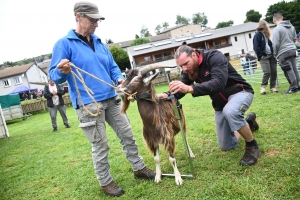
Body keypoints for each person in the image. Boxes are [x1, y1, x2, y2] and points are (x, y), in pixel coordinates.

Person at [48, 1, 155, 197]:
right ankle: (105, 182)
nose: (97, 23)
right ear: (78, 16)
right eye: (93, 19)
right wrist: (62, 71)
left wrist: (120, 79)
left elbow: (112, 66)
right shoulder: (64, 44)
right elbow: (54, 75)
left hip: (112, 98)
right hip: (89, 104)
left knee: (127, 134)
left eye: (98, 20)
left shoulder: (99, 42)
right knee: (100, 144)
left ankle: (139, 168)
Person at [157, 44, 260, 166]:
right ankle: (248, 123)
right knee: (226, 145)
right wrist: (167, 94)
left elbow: (219, 83)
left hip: (240, 92)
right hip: (220, 104)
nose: (184, 68)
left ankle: (252, 146)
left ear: (194, 54)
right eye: (181, 66)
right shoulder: (189, 70)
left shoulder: (214, 57)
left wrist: (190, 88)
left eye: (186, 63)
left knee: (231, 111)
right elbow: (182, 88)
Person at [272, 13, 299, 94]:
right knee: (294, 69)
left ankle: (293, 88)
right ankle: (297, 86)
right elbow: (295, 39)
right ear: (282, 18)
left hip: (283, 52)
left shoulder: (277, 29)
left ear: (274, 20)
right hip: (292, 50)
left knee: (288, 70)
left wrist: (275, 54)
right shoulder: (292, 27)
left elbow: (275, 44)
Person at [253, 20, 278, 94]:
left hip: (271, 56)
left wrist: (273, 54)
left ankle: (272, 87)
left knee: (274, 72)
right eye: (266, 25)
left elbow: (270, 45)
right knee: (267, 72)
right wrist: (261, 55)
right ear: (263, 25)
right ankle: (263, 87)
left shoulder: (266, 35)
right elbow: (256, 47)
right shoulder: (258, 35)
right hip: (264, 57)